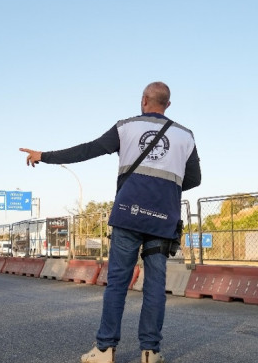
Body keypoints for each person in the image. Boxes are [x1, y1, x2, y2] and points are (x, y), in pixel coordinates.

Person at [19, 82, 201, 363]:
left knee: (117, 283)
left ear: (143, 101)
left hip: (128, 215)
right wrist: (164, 192)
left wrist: (45, 156)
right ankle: (150, 352)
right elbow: (194, 179)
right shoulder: (185, 136)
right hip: (163, 221)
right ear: (168, 104)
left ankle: (105, 350)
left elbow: (88, 150)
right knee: (155, 285)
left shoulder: (125, 127)